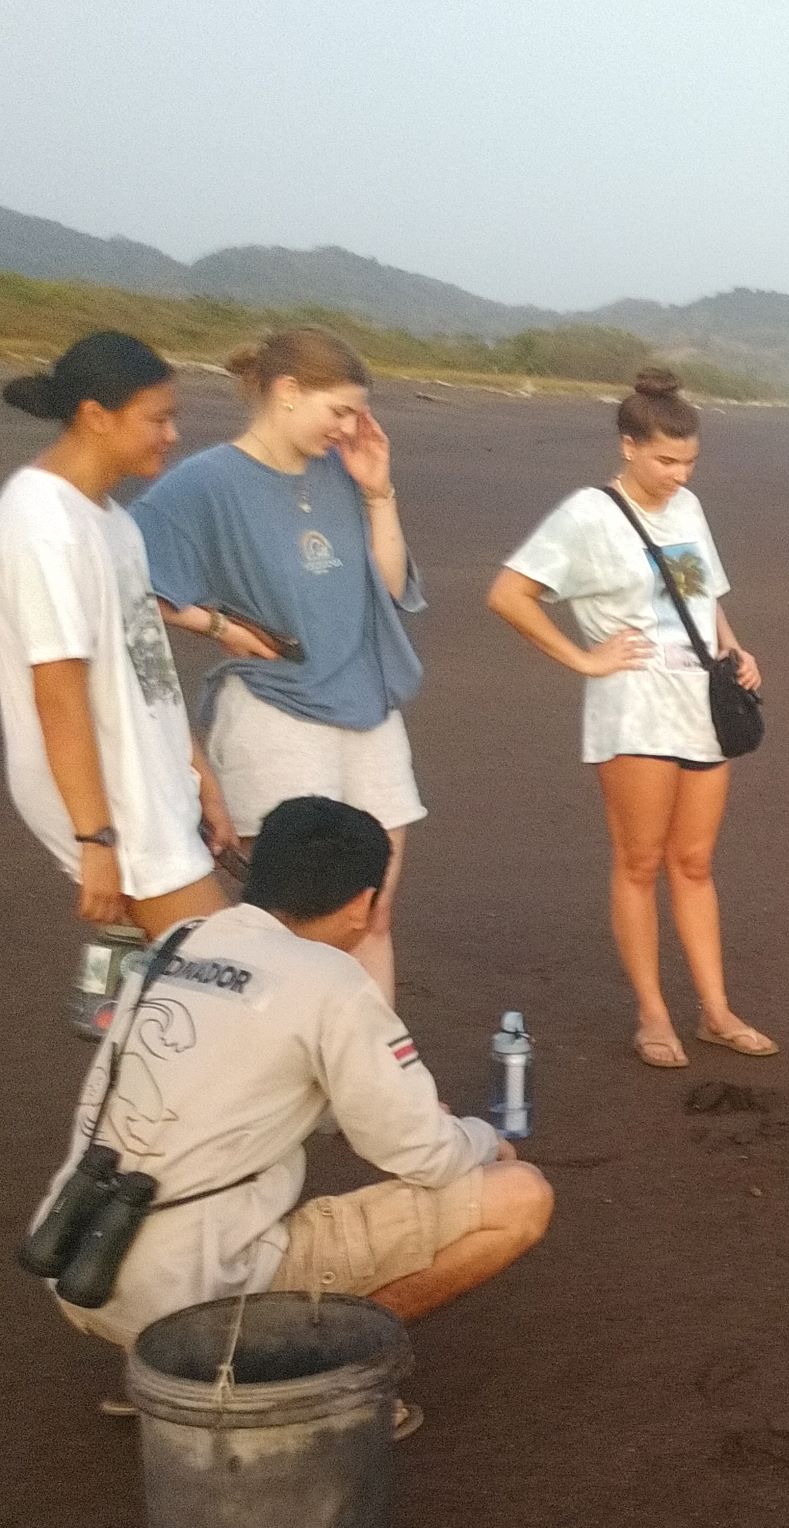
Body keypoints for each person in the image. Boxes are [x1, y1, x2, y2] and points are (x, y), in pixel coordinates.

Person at [36, 795, 551, 1426]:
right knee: (520, 1195)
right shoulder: (332, 981)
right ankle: (293, 1381)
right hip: (197, 1287)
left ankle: (161, 1368)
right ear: (363, 903)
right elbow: (422, 1154)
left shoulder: (181, 939)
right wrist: (481, 1138)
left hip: (80, 1254)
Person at [485, 368, 774, 1068]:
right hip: (632, 707)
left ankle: (715, 1011)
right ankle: (652, 1014)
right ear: (628, 446)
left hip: (700, 701)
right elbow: (509, 594)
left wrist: (735, 650)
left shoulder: (688, 508)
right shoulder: (588, 513)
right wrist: (583, 660)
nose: (678, 475)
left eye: (689, 462)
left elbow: (702, 596)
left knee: (695, 862)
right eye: (665, 460)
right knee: (640, 861)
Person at [133, 327, 426, 1004]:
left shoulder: (344, 473)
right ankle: (284, 1092)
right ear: (288, 393)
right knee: (292, 930)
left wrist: (378, 492)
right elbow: (122, 572)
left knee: (371, 914)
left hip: (368, 708)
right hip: (275, 715)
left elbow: (386, 587)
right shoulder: (208, 481)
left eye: (358, 413)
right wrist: (217, 624)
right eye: (341, 411)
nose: (351, 427)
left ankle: (371, 1088)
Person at [0, 332, 237, 936]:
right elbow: (57, 698)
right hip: (112, 800)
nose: (172, 435)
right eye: (158, 419)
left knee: (184, 993)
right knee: (223, 972)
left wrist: (200, 780)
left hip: (149, 785)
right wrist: (95, 839)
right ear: (94, 418)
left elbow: (149, 670)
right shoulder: (45, 524)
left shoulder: (114, 522)